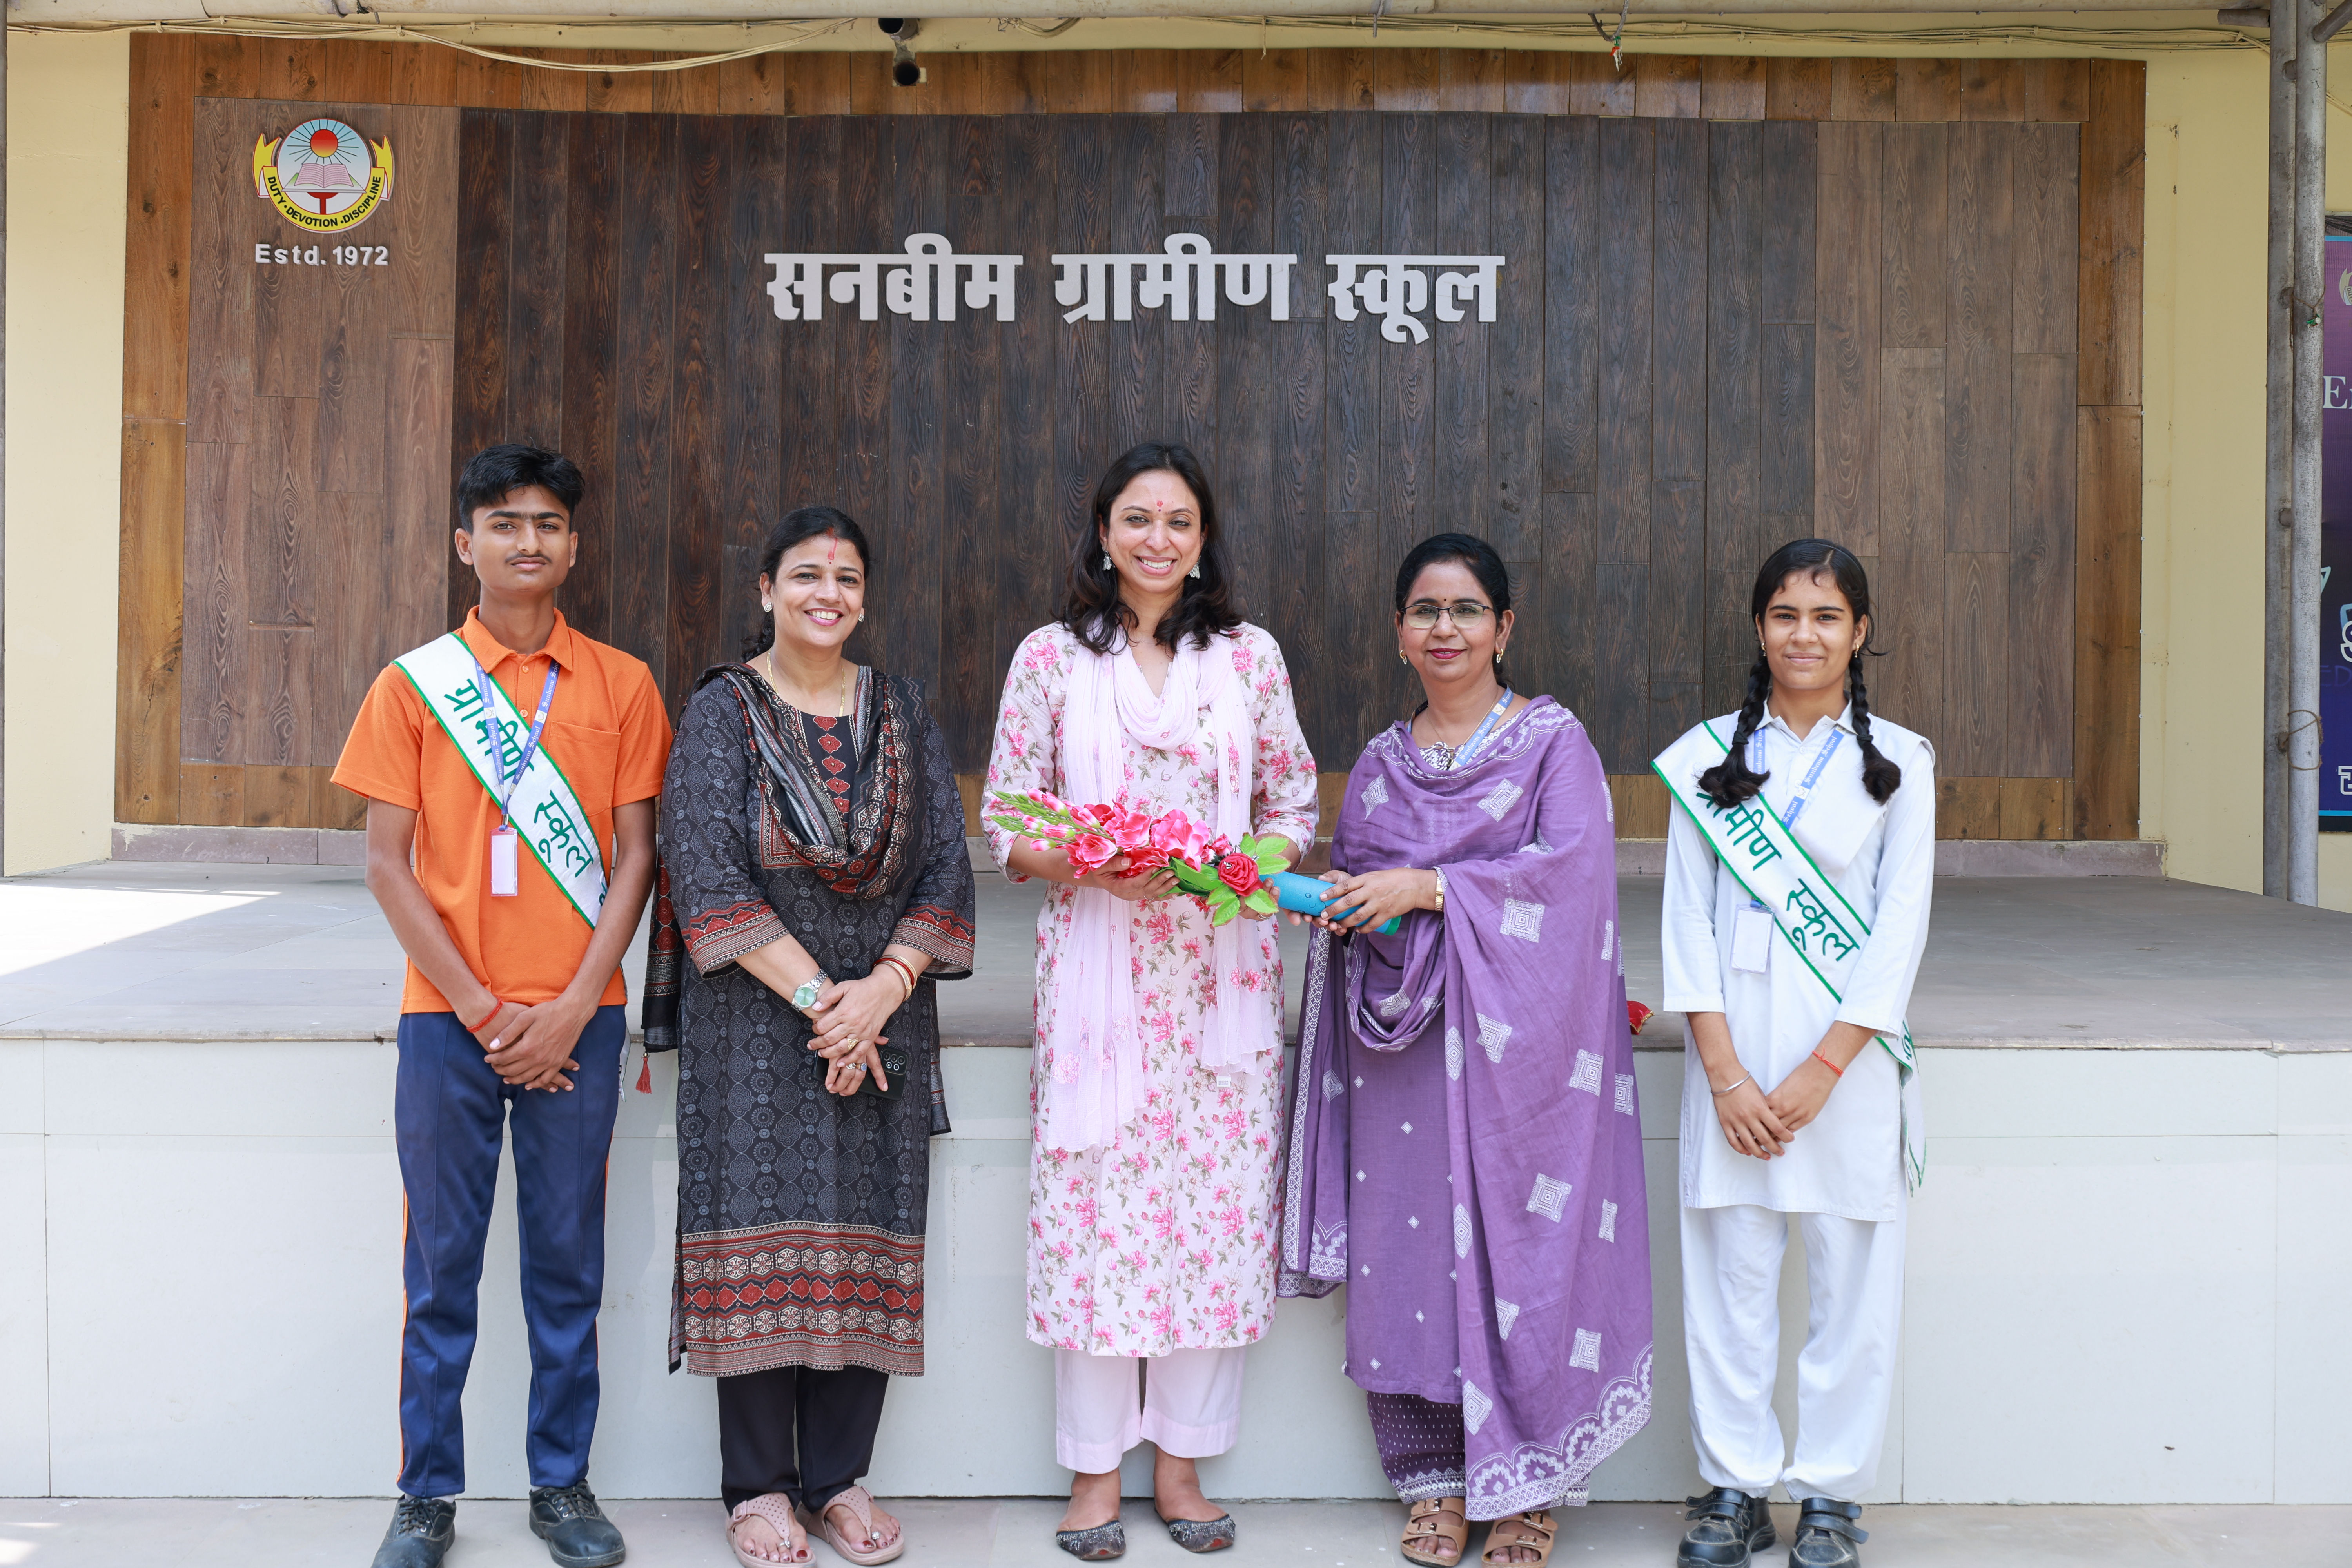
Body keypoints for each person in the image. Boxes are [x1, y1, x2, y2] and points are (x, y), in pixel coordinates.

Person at [1278, 533, 1653, 1568]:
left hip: (1526, 1059)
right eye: (1425, 612)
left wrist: (1432, 888)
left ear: (1504, 626)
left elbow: (1572, 881)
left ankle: (1531, 1489)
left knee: (1525, 1255)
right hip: (1400, 1046)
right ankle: (1435, 1480)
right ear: (1400, 633)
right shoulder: (1384, 767)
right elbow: (1361, 885)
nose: (1446, 629)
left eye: (1467, 610)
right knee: (1407, 1250)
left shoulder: (1551, 744)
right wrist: (1348, 910)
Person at [333, 445, 671, 1568]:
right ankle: (426, 1495)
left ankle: (561, 1486)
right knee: (439, 1267)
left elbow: (635, 861)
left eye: (549, 523)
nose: (528, 541)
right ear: (463, 542)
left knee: (567, 1263)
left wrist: (577, 1003)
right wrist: (484, 1009)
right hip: (448, 1022)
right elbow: (387, 865)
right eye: (504, 521)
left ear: (575, 546)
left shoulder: (621, 684)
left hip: (579, 1017)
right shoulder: (412, 685)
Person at [982, 441, 1320, 1560]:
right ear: (1104, 532)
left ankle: (1180, 1466)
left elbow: (1293, 798)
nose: (1158, 539)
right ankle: (1091, 1478)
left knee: (1211, 1217)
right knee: (1096, 1217)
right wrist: (1084, 863)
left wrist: (1243, 872)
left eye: (1178, 521)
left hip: (1219, 982)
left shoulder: (1248, 657)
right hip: (1100, 976)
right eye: (1138, 519)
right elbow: (1011, 819)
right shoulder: (1049, 658)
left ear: (1204, 536)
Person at [644, 506, 974, 1568]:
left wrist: (880, 989)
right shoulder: (722, 714)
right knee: (758, 1238)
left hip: (883, 1017)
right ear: (767, 591)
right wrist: (825, 1002)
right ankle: (760, 1490)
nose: (825, 594)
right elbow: (701, 871)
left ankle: (838, 1481)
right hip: (754, 1019)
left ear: (863, 598)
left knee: (865, 1239)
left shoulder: (902, 711)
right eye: (805, 576)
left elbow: (946, 871)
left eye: (845, 579)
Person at [1653, 541, 1933, 1568]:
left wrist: (1823, 1070)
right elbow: (1686, 926)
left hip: (1844, 1068)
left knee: (1850, 1277)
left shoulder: (1902, 761)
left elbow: (1899, 932)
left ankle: (1830, 1493)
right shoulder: (1707, 762)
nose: (1803, 635)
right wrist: (1725, 1076)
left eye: (1826, 617)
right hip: (1732, 1060)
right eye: (1784, 614)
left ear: (1860, 632)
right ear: (1758, 628)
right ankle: (1732, 1484)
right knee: (1729, 1275)